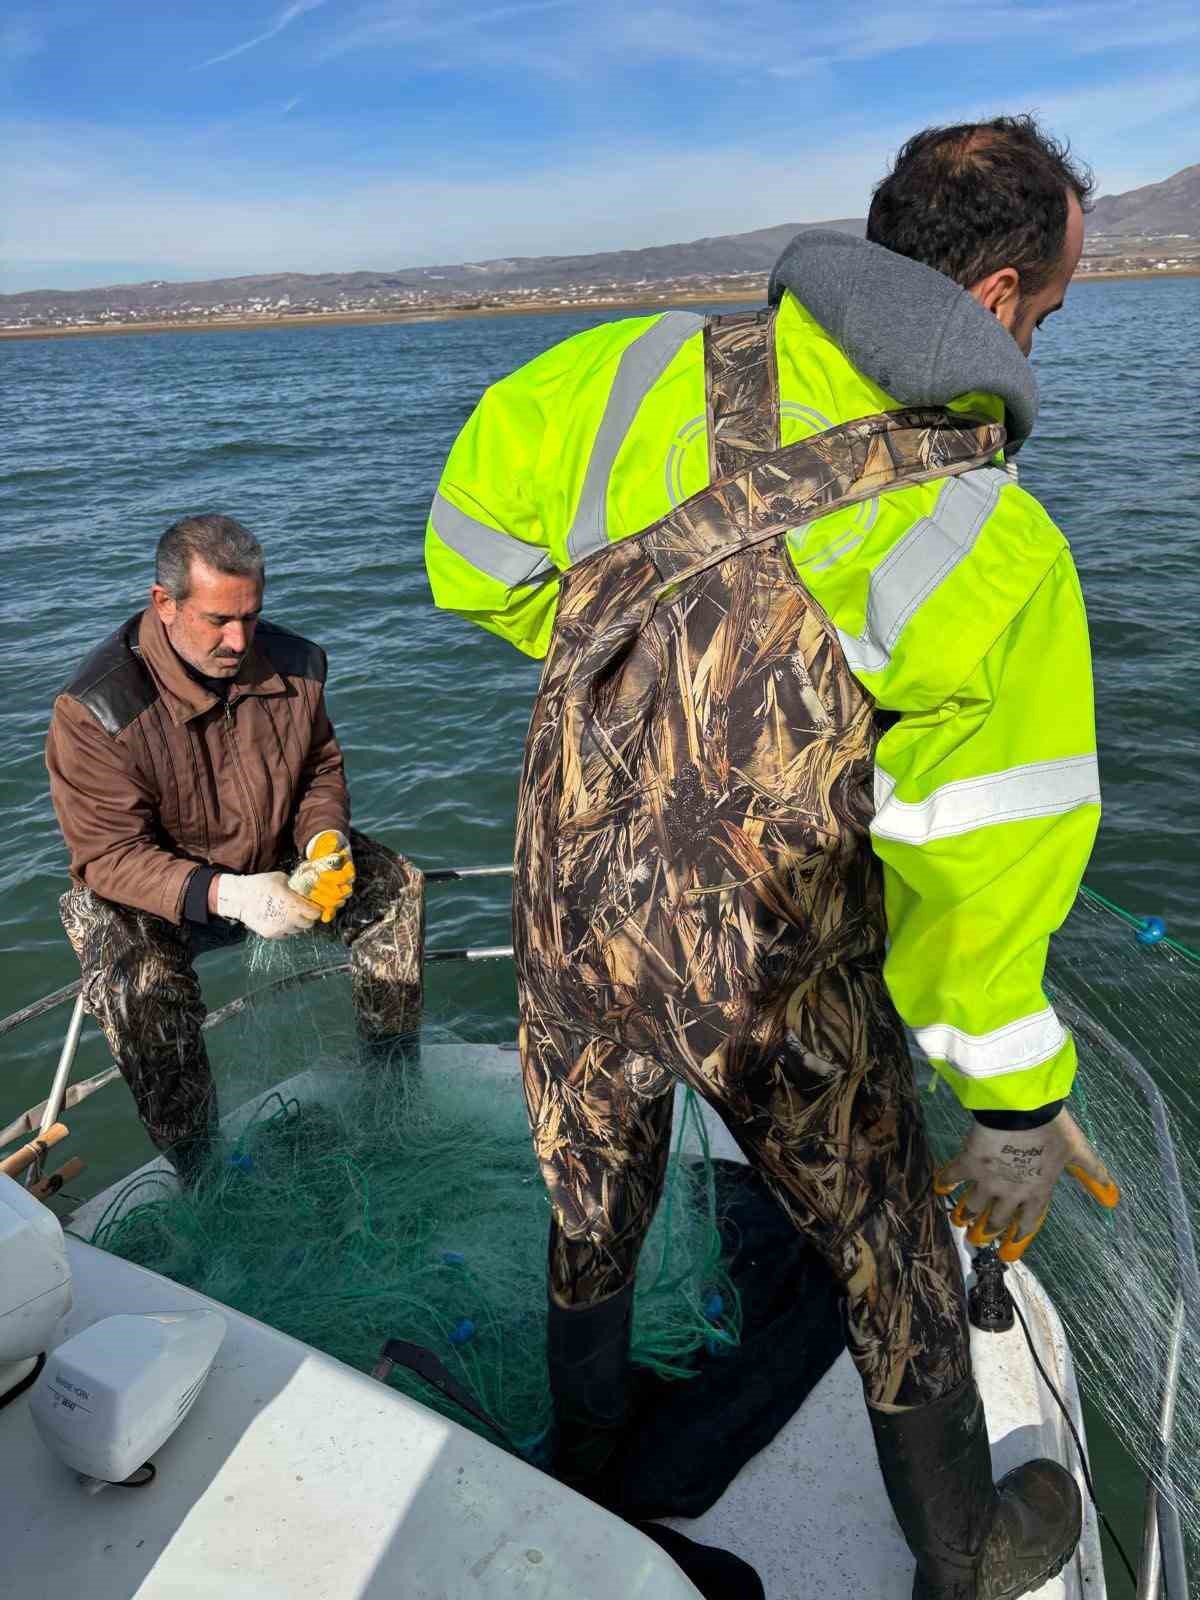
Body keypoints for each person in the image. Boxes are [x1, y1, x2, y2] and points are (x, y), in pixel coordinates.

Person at [425, 115, 1120, 1599]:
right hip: (768, 981)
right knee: (889, 1258)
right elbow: (976, 877)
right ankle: (961, 1554)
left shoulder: (612, 372)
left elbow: (464, 557)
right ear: (996, 301)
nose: (1044, 345)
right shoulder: (988, 539)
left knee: (592, 1202)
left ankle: (596, 1455)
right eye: (1051, 315)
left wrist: (627, 670)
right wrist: (1014, 1104)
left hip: (571, 915)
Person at [46, 514, 423, 1181]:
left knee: (393, 889)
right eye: (218, 619)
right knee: (139, 980)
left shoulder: (298, 663)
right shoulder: (96, 711)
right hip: (161, 894)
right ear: (164, 604)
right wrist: (229, 894)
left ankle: (391, 1085)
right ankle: (201, 1169)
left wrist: (325, 839)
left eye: (251, 616)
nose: (239, 639)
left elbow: (318, 771)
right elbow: (108, 856)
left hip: (278, 860)